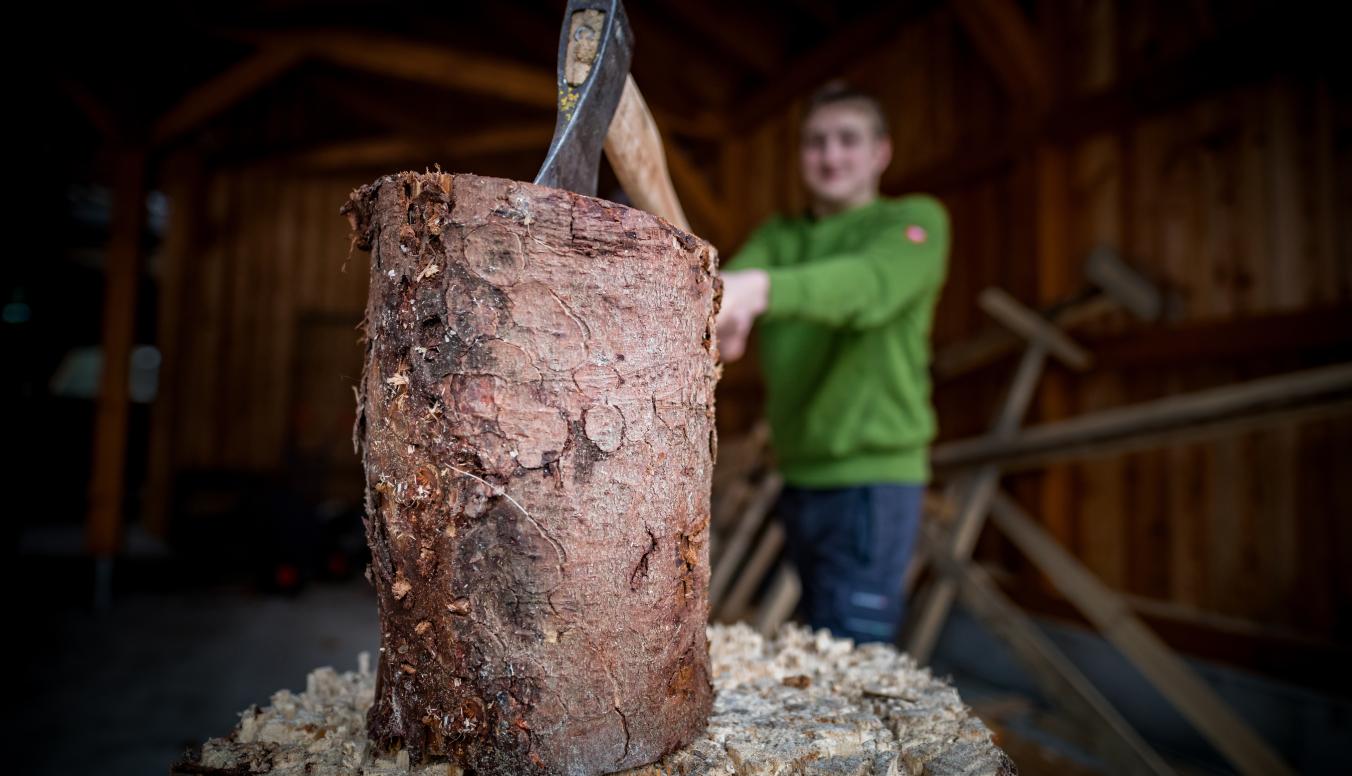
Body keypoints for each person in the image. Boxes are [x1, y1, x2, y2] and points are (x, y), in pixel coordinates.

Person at [717, 83, 950, 644]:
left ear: (881, 153)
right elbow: (724, 296)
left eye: (848, 140)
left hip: (872, 481)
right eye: (816, 142)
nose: (831, 155)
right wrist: (723, 311)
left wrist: (757, 290)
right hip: (798, 476)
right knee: (821, 643)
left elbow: (867, 288)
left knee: (855, 655)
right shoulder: (780, 237)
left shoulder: (912, 223)